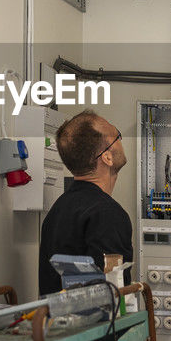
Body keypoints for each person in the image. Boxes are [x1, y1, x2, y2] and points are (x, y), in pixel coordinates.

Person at [38, 109, 133, 296]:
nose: (121, 142)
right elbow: (114, 295)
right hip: (94, 325)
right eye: (117, 136)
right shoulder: (108, 214)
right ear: (107, 157)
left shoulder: (58, 210)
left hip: (58, 322)